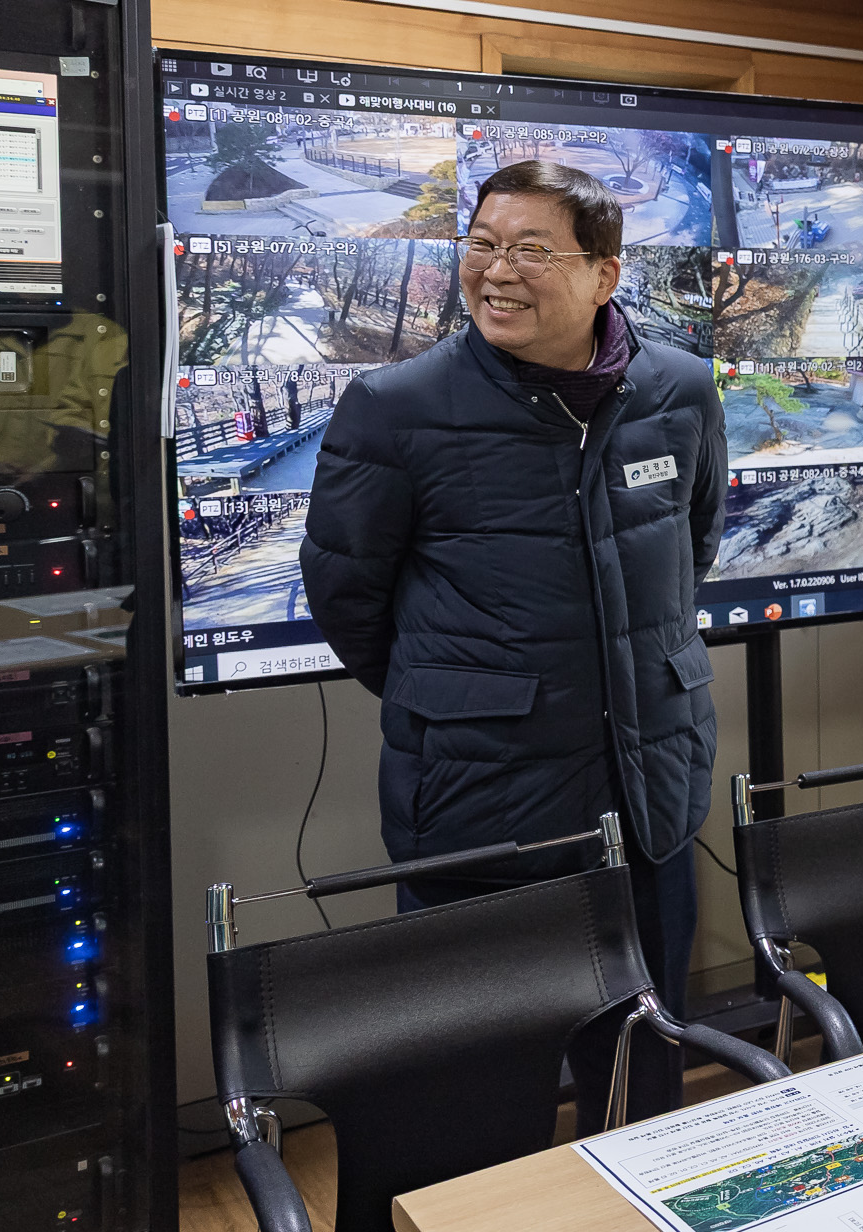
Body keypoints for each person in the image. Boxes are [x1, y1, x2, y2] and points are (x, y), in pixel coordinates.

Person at [301, 159, 726, 1129]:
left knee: (640, 1082)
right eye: (483, 244)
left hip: (648, 791)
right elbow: (348, 595)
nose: (498, 269)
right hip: (478, 806)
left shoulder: (681, 389)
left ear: (604, 274)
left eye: (532, 248)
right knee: (475, 1096)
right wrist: (465, 694)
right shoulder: (397, 405)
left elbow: (688, 551)